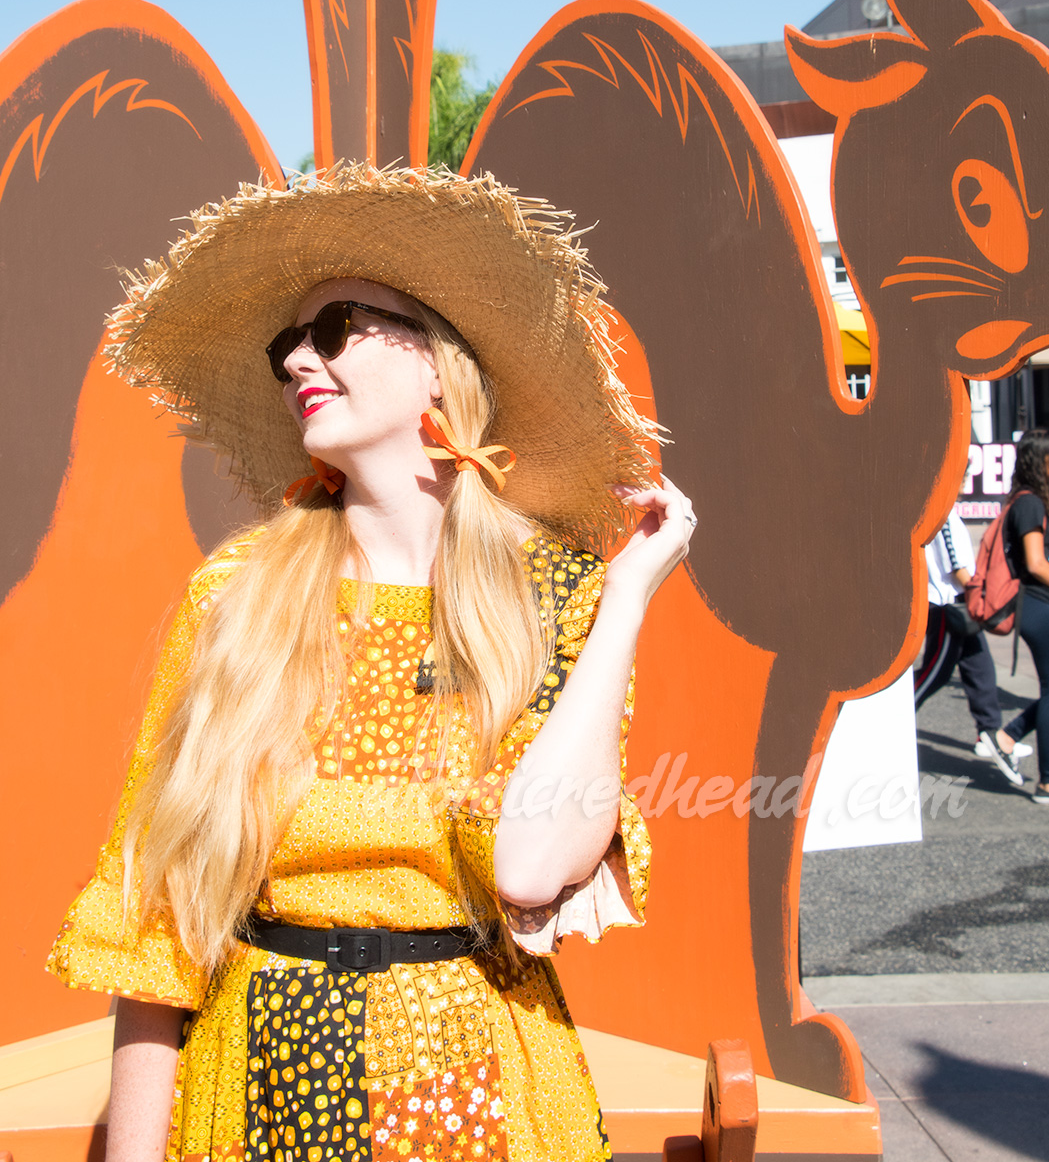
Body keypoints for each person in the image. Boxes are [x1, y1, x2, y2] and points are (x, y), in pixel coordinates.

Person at [48, 164, 696, 1162]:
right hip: (254, 1086)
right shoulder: (237, 598)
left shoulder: (555, 597)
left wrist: (626, 599)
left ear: (437, 362)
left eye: (334, 327)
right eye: (286, 347)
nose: (299, 360)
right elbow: (155, 913)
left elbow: (529, 868)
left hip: (474, 1093)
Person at [914, 506, 1030, 785]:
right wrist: (981, 594)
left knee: (981, 669)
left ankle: (988, 732)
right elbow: (956, 565)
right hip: (948, 604)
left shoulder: (949, 511)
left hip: (961, 602)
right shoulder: (941, 513)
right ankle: (891, 717)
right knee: (935, 673)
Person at [999, 428, 1049, 802]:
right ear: (1042, 462)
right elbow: (1036, 564)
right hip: (1039, 605)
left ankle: (1007, 736)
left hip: (1047, 605)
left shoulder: (1040, 500)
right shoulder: (1029, 504)